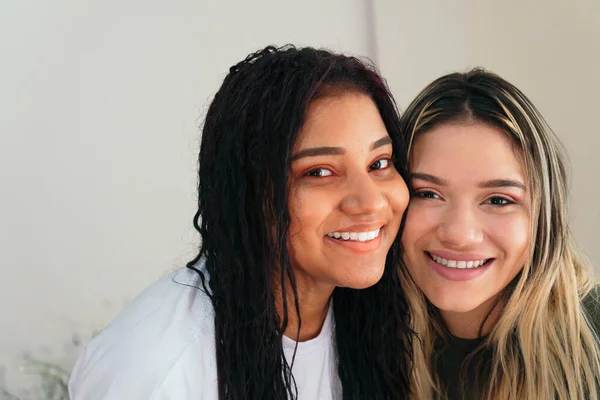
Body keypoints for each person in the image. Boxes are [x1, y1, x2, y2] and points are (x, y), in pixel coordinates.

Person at [68, 45, 414, 400]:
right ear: (248, 189)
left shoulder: (384, 320)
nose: (371, 201)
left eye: (379, 163)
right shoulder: (158, 370)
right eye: (319, 171)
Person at [399, 68, 600, 400]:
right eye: (428, 194)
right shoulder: (359, 336)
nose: (460, 235)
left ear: (543, 216)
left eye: (498, 200)